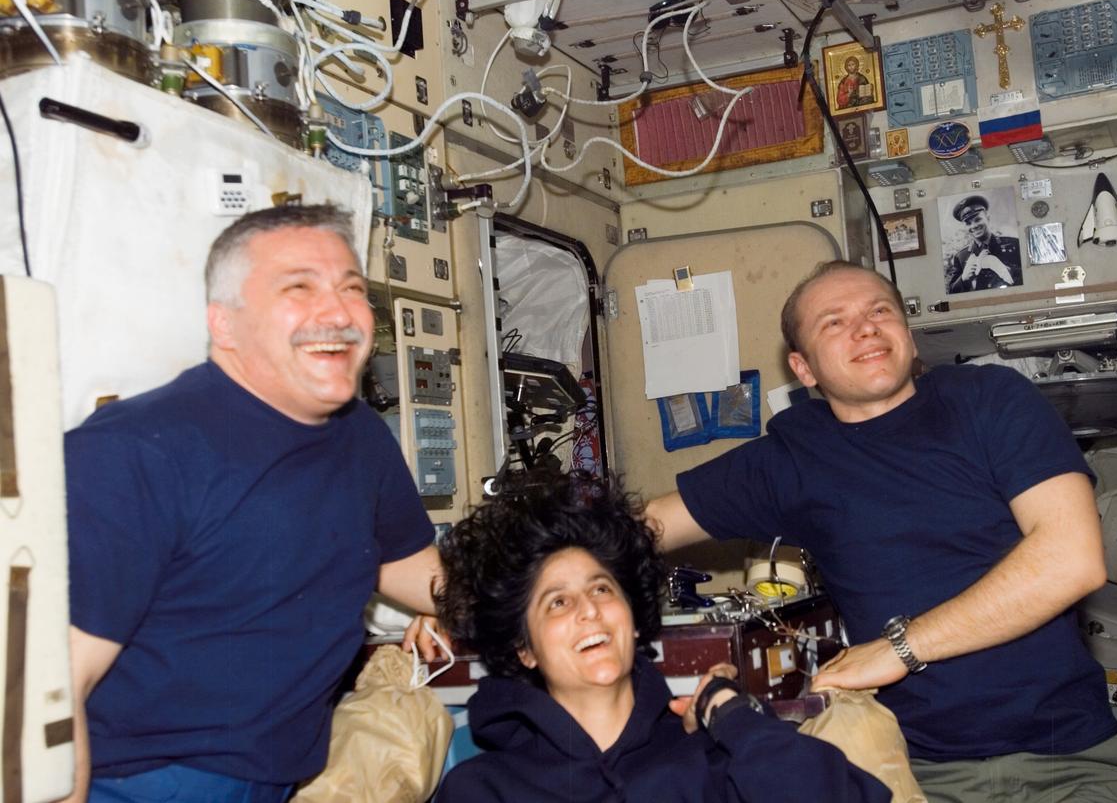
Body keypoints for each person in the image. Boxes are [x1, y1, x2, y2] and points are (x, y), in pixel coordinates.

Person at [646, 261, 1117, 803]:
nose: (865, 328)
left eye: (880, 311)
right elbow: (642, 528)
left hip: (1066, 761)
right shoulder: (792, 459)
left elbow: (1072, 558)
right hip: (918, 771)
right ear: (803, 368)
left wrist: (896, 649)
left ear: (906, 334)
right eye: (833, 323)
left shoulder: (990, 399)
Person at [62, 205, 446, 802]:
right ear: (225, 324)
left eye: (351, 289)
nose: (339, 313)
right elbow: (52, 684)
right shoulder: (133, 452)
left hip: (280, 776)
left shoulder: (359, 436)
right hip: (138, 780)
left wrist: (515, 592)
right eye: (300, 287)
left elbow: (414, 570)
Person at [433, 472, 892, 803]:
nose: (589, 610)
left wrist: (733, 716)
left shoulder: (712, 763)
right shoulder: (483, 788)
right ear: (525, 649)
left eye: (601, 588)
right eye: (557, 601)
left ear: (632, 621)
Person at [944, 195, 1024, 293]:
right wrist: (963, 279)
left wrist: (1007, 270)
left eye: (978, 219)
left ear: (988, 218)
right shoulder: (961, 257)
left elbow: (1031, 276)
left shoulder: (1014, 244)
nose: (974, 226)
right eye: (968, 223)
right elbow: (951, 292)